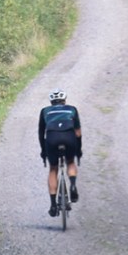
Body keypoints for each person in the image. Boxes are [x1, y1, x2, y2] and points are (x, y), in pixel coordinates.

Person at [38, 88, 81, 217]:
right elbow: (78, 132)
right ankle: (73, 185)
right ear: (64, 100)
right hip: (69, 138)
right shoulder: (72, 109)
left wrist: (43, 151)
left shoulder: (45, 111)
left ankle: (53, 204)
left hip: (52, 139)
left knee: (53, 169)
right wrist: (78, 150)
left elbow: (41, 133)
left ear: (51, 102)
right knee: (70, 162)